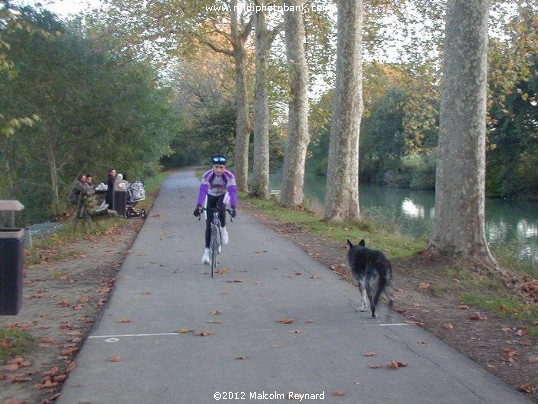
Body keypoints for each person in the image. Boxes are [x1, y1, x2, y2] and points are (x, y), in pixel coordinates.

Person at [193, 154, 237, 265]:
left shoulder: (229, 176)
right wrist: (198, 205)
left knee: (221, 206)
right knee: (208, 224)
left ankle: (223, 229)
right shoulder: (207, 175)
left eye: (221, 167)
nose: (219, 170)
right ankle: (207, 252)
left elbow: (232, 191)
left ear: (225, 167)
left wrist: (233, 206)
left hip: (223, 194)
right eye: (216, 167)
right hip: (210, 195)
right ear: (212, 166)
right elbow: (203, 190)